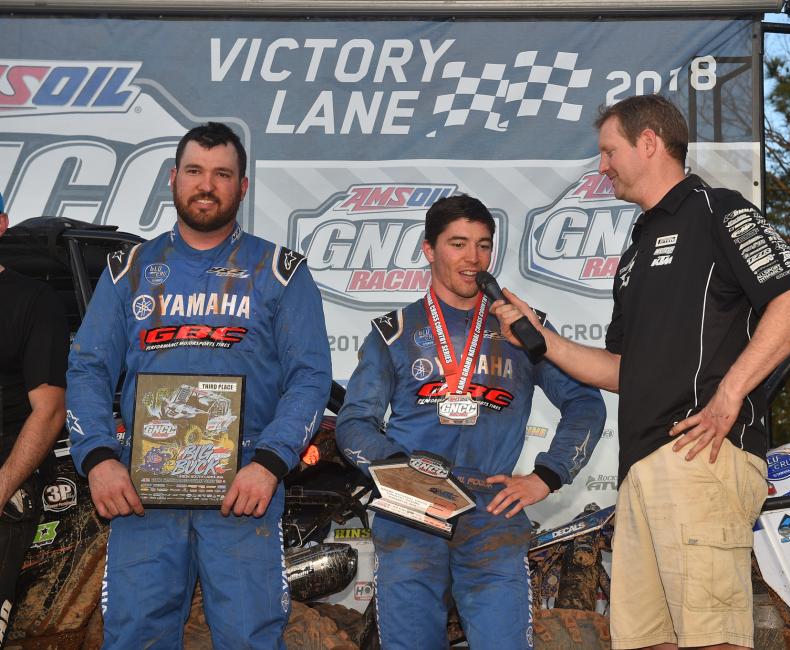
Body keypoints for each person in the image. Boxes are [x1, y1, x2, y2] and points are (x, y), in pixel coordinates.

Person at [491, 95, 790, 650]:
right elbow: (622, 371)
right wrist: (543, 338)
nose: (602, 166)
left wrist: (729, 396)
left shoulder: (719, 210)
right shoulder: (635, 249)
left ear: (649, 142)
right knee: (645, 641)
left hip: (700, 458)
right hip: (640, 469)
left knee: (711, 639)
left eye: (609, 151)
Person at [66, 123, 332, 649]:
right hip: (143, 489)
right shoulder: (128, 271)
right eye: (194, 171)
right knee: (135, 637)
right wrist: (97, 458)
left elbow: (310, 376)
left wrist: (270, 463)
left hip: (244, 486)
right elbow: (87, 369)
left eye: (222, 174)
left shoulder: (279, 272)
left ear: (243, 187)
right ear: (173, 179)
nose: (206, 185)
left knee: (250, 638)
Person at [336, 194, 606, 649]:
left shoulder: (523, 328)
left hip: (492, 510)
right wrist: (403, 474)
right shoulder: (395, 331)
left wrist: (547, 475)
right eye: (458, 244)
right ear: (429, 249)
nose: (473, 258)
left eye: (483, 245)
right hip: (412, 511)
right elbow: (354, 423)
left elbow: (586, 403)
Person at [0, 192, 69, 649]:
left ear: (1, 223)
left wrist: (2, 485)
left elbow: (49, 410)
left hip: (9, 460)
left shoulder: (33, 299)